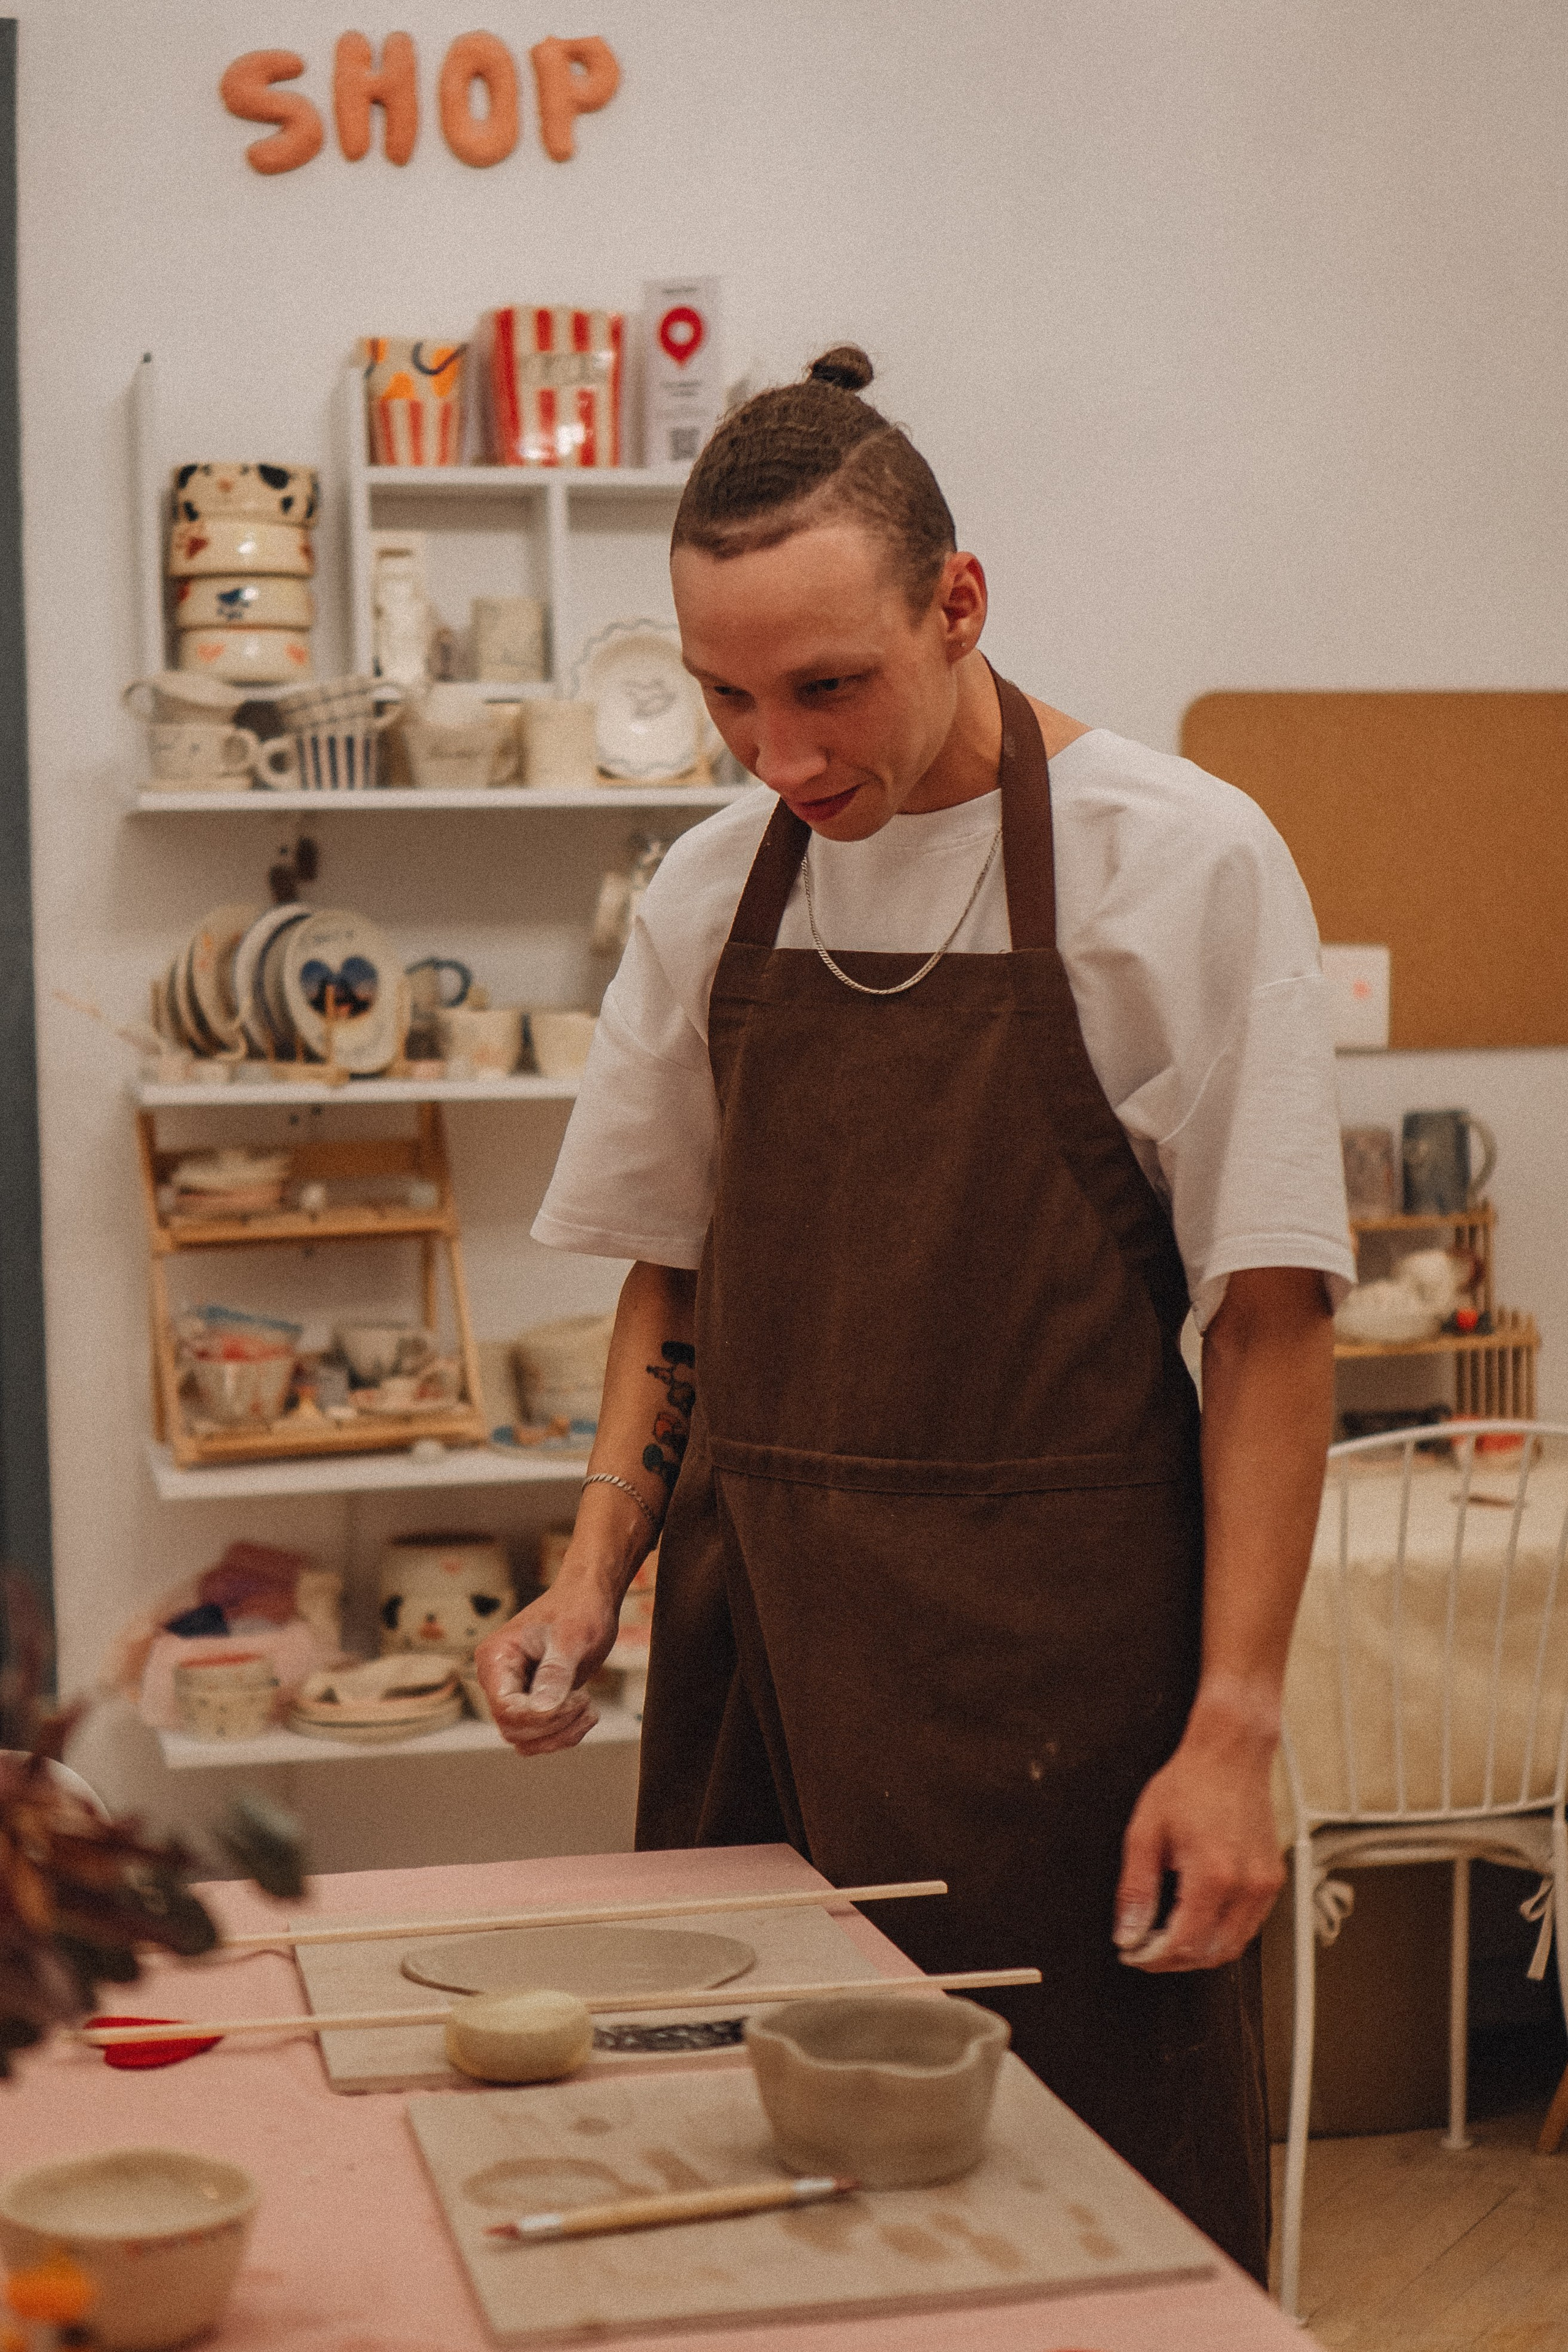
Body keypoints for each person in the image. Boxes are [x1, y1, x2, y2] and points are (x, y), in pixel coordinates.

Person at [475, 345, 1355, 2278]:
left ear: (961, 602)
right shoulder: (716, 894)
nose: (778, 757)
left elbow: (1275, 1328)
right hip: (762, 1671)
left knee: (1098, 2234)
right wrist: (591, 1573)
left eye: (827, 688)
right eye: (725, 700)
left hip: (1063, 1701)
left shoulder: (1182, 865)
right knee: (743, 2204)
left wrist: (1235, 1731)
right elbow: (673, 1268)